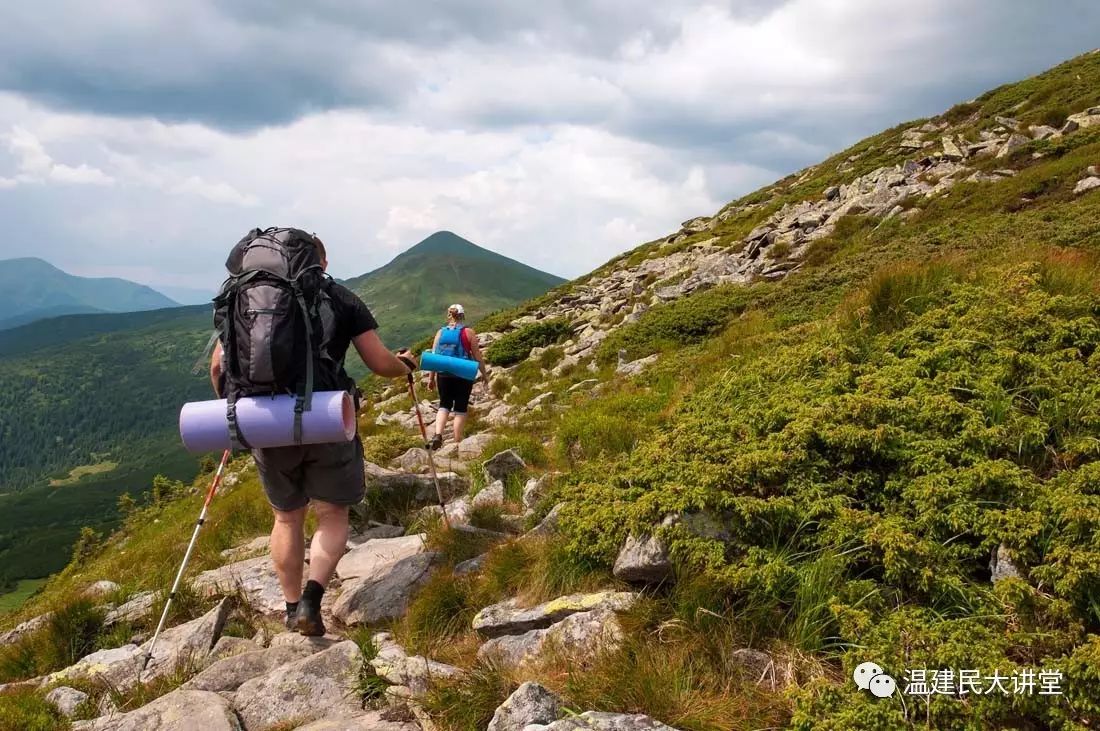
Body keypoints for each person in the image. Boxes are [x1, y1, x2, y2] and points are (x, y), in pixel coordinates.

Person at [209, 234, 415, 636]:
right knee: (332, 512)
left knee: (286, 519)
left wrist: (236, 410)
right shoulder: (339, 297)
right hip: (326, 419)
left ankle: (289, 608)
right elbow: (379, 363)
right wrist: (405, 366)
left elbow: (219, 366)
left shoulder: (244, 298)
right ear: (319, 260)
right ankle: (312, 599)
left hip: (267, 422)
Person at [427, 304, 487, 450]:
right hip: (463, 372)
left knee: (444, 404)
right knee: (460, 407)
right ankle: (457, 441)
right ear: (463, 315)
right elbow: (477, 357)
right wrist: (485, 375)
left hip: (444, 373)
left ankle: (437, 435)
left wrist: (431, 378)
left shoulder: (440, 332)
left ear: (449, 315)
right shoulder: (469, 332)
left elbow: (435, 357)